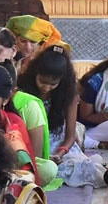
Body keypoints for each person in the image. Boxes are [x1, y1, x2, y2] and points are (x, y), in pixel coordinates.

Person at [16, 47, 79, 176]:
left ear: (61, 81)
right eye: (42, 82)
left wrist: (59, 153)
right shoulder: (21, 86)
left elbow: (70, 137)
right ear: (35, 73)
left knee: (74, 167)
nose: (46, 88)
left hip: (56, 142)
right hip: (27, 138)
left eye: (53, 84)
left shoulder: (69, 94)